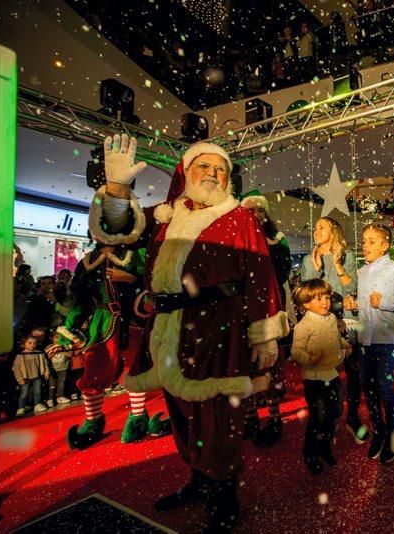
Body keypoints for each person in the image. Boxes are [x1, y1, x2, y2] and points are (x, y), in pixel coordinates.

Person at [91, 134, 288, 532]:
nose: (214, 174)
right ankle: (199, 480)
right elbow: (114, 230)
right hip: (167, 330)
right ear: (186, 172)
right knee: (181, 413)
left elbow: (261, 276)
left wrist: (265, 335)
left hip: (218, 329)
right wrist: (115, 189)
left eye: (221, 169)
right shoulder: (166, 215)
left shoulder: (240, 218)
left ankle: (224, 494)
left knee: (218, 418)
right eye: (205, 166)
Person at [62, 241, 170, 449]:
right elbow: (80, 299)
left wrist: (132, 280)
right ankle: (93, 422)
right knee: (94, 370)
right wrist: (70, 329)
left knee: (135, 370)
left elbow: (154, 283)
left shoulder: (136, 254)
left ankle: (138, 418)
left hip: (133, 318)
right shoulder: (89, 261)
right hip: (103, 322)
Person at [343, 224, 394, 463]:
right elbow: (364, 307)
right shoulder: (362, 273)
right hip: (366, 340)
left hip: (386, 340)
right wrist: (354, 305)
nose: (366, 245)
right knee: (368, 387)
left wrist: (384, 301)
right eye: (364, 240)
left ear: (385, 245)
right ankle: (379, 430)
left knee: (385, 389)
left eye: (372, 241)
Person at [300, 217, 366, 444]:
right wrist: (316, 271)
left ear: (333, 232)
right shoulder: (310, 260)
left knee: (353, 370)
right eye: (315, 227)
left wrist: (337, 265)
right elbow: (305, 295)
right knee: (323, 370)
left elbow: (352, 287)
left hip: (346, 320)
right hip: (321, 323)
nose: (316, 231)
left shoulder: (345, 257)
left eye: (322, 227)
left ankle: (353, 416)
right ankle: (327, 417)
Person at [240, 191, 295, 447]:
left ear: (265, 213)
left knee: (273, 363)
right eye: (249, 211)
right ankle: (250, 417)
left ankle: (274, 417)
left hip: (271, 305)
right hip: (243, 309)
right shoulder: (235, 240)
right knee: (247, 364)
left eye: (259, 210)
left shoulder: (277, 242)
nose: (254, 215)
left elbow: (280, 275)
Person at [290, 279, 351, 475]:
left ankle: (324, 446)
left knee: (334, 411)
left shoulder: (331, 318)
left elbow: (334, 337)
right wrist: (310, 358)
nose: (325, 302)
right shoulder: (304, 326)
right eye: (319, 299)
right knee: (318, 416)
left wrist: (344, 344)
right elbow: (296, 351)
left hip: (332, 374)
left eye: (326, 297)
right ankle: (311, 453)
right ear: (306, 304)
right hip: (314, 378)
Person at [13, 335, 49, 416]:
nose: (32, 345)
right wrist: (19, 378)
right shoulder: (20, 356)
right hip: (26, 378)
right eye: (29, 343)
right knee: (24, 393)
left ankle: (37, 404)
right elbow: (16, 368)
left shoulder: (38, 353)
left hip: (37, 377)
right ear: (23, 344)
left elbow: (44, 362)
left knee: (38, 391)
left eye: (34, 343)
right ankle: (21, 407)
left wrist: (46, 371)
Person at [44, 328, 74, 406]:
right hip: (53, 369)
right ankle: (50, 399)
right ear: (52, 338)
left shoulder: (65, 345)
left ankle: (60, 396)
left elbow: (70, 354)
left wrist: (62, 351)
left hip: (63, 368)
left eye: (60, 337)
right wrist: (54, 351)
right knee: (52, 384)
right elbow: (47, 357)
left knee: (62, 382)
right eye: (56, 337)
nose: (59, 339)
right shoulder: (49, 347)